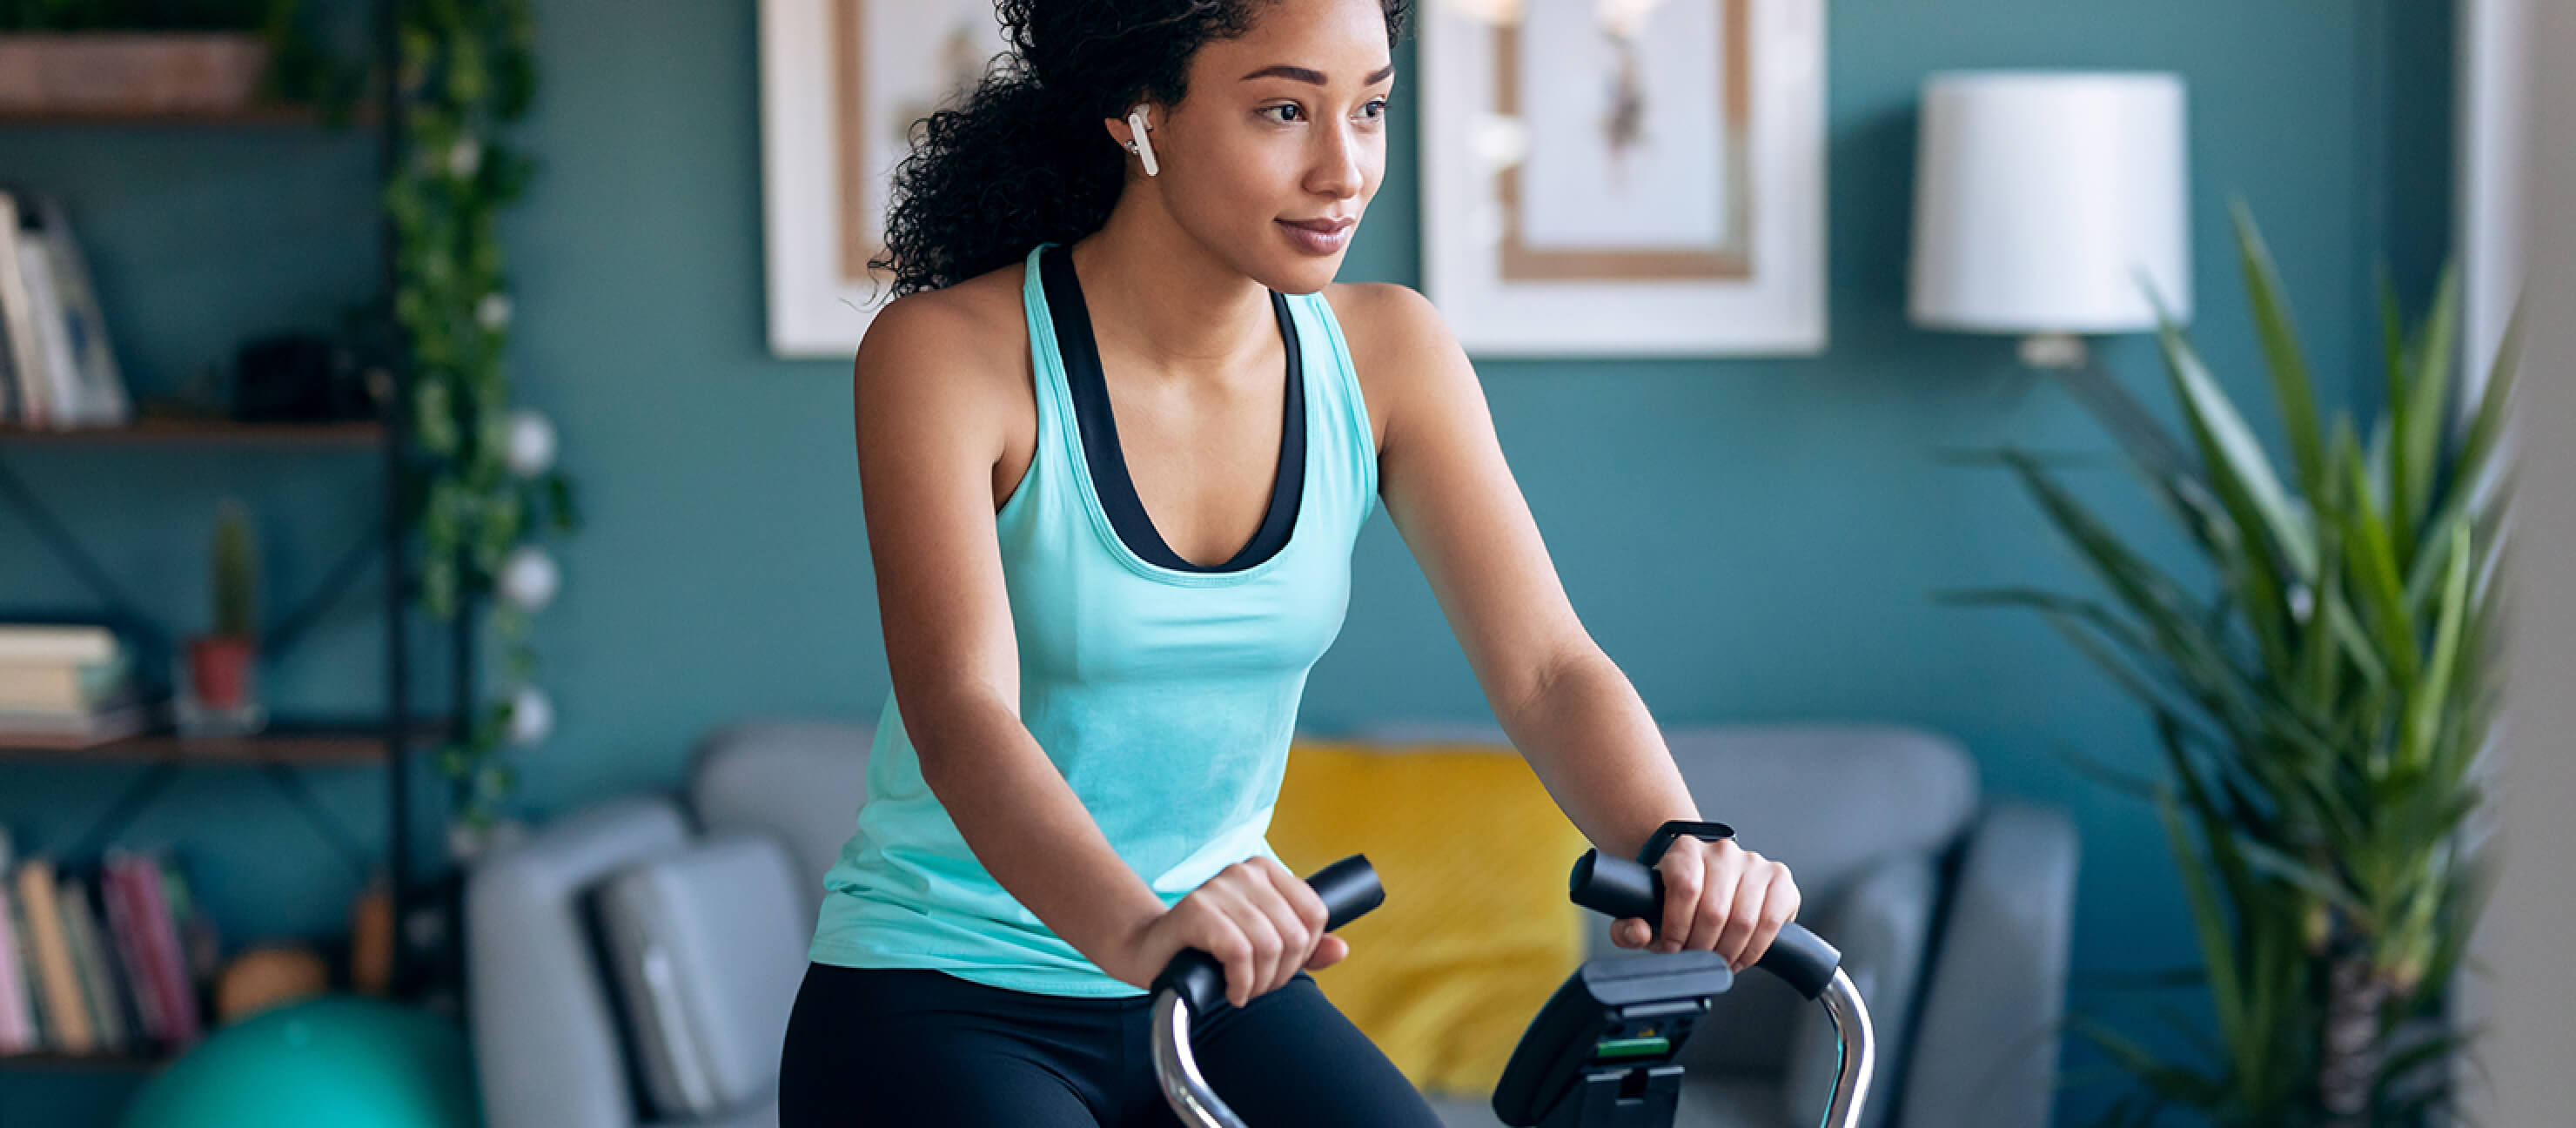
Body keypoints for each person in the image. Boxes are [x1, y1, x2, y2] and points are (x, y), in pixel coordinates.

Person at [775, 1, 1802, 1125]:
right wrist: (1136, 932)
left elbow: (1547, 668)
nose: (1345, 169)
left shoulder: (1390, 354)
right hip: (944, 989)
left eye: (1369, 109)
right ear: (1139, 114)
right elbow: (963, 713)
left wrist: (1682, 840)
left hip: (1220, 978)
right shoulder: (950, 358)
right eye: (1283, 110)